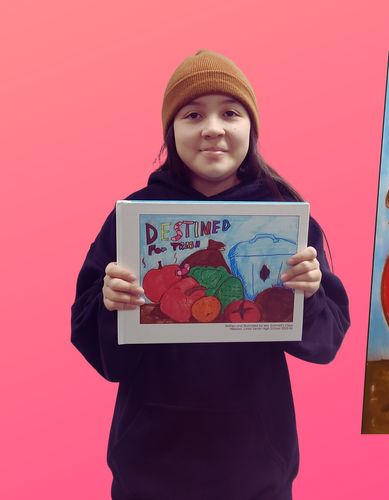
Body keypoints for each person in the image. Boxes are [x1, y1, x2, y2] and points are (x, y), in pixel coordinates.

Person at [70, 50, 350, 500]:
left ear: (251, 129)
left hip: (255, 466)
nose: (213, 128)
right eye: (193, 114)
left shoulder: (285, 221)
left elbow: (326, 342)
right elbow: (96, 345)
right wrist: (108, 304)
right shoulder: (132, 219)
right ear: (172, 131)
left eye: (231, 112)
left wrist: (310, 293)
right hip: (150, 465)